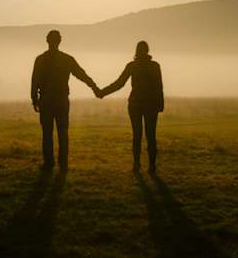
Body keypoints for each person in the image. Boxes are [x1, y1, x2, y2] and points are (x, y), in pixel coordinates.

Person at [31, 29, 99, 171]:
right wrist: (94, 87)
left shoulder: (40, 60)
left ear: (47, 41)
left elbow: (35, 80)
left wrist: (34, 99)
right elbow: (81, 74)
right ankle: (63, 164)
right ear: (59, 41)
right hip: (61, 101)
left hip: (46, 101)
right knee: (63, 132)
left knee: (47, 133)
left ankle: (49, 163)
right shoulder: (67, 59)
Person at [97, 41, 164, 173]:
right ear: (147, 51)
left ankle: (137, 164)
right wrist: (160, 104)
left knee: (137, 135)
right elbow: (159, 87)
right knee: (151, 135)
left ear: (136, 51)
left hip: (135, 104)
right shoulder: (154, 66)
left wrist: (103, 92)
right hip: (150, 104)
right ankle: (151, 165)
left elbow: (119, 84)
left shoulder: (132, 66)